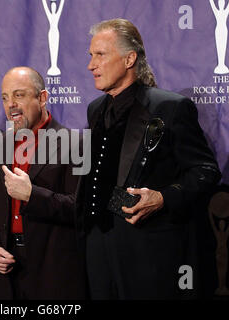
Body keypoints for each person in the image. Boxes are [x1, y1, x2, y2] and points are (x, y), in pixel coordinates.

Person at [76, 18, 222, 299]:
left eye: (100, 55)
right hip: (98, 247)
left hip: (147, 250)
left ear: (129, 58)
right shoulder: (95, 109)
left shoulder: (169, 107)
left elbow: (205, 171)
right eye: (90, 55)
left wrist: (164, 197)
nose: (91, 65)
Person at [0, 66, 87, 299]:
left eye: (19, 95)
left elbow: (81, 208)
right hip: (6, 272)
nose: (10, 104)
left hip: (54, 271)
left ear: (42, 98)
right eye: (5, 97)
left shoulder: (75, 144)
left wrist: (31, 195)